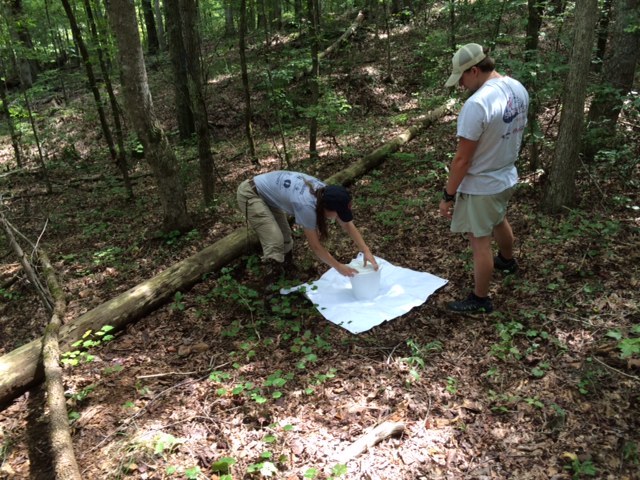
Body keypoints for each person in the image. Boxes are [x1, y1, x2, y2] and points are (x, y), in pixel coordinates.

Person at [439, 43, 529, 314]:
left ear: (475, 70)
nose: (461, 85)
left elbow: (462, 160)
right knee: (498, 218)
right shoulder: (517, 88)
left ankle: (480, 299)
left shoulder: (477, 104)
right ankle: (507, 261)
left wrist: (448, 195)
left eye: (462, 78)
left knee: (479, 241)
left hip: (482, 184)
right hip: (506, 176)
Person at [237, 170, 378, 281]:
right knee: (275, 240)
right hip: (250, 193)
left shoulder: (324, 192)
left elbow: (347, 224)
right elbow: (315, 246)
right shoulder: (306, 206)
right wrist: (338, 267)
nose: (338, 217)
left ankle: (287, 271)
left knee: (285, 236)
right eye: (337, 214)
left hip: (267, 194)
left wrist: (366, 250)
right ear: (326, 209)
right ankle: (272, 284)